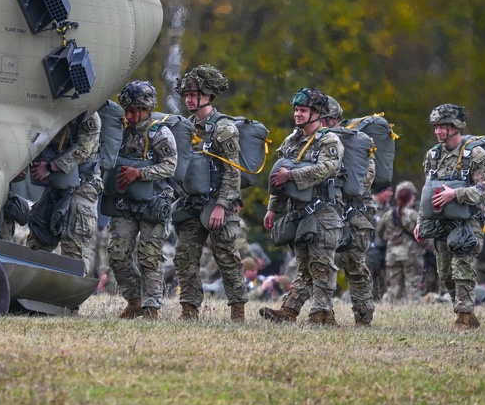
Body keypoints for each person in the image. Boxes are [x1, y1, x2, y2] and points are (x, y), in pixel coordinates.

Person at [260, 87, 344, 325]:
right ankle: (290, 311)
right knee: (304, 266)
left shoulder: (329, 140)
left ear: (316, 113)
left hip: (324, 213)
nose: (297, 114)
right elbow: (278, 175)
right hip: (298, 213)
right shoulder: (292, 140)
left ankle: (320, 314)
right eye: (296, 110)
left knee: (321, 266)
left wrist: (292, 176)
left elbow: (325, 169)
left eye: (303, 110)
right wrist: (272, 208)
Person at [172, 64, 248, 322]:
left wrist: (222, 206)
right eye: (187, 95)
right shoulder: (186, 127)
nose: (189, 99)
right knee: (184, 256)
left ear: (207, 95)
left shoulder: (223, 128)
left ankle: (238, 311)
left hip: (218, 203)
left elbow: (233, 171)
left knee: (226, 257)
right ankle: (189, 310)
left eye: (194, 94)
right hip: (192, 203)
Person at [415, 104, 485, 330]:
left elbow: (484, 189)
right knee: (446, 274)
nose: (438, 131)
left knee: (462, 268)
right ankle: (463, 310)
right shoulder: (432, 155)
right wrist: (421, 221)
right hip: (441, 222)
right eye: (436, 127)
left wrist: (455, 194)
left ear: (456, 126)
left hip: (468, 222)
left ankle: (464, 316)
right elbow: (427, 191)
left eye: (443, 127)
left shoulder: (476, 155)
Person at [107, 80, 178, 320]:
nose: (130, 115)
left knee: (149, 256)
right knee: (117, 254)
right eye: (127, 111)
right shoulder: (123, 131)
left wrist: (140, 173)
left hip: (154, 202)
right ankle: (135, 300)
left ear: (146, 109)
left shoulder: (159, 133)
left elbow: (170, 165)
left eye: (134, 111)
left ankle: (151, 308)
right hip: (125, 201)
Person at [317, 97, 377, 325]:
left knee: (354, 265)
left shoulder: (356, 145)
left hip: (356, 214)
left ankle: (363, 318)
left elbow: (364, 180)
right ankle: (322, 313)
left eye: (322, 120)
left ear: (332, 119)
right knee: (320, 263)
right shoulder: (319, 145)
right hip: (329, 212)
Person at [27, 111, 102, 275]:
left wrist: (49, 167)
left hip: (83, 187)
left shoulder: (89, 116)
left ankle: (71, 297)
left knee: (74, 247)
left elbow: (83, 149)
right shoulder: (51, 110)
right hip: (55, 185)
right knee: (37, 241)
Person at [376, 181, 423, 303]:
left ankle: (393, 309)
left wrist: (390, 239)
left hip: (392, 255)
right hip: (411, 255)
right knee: (413, 286)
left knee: (394, 288)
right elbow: (422, 234)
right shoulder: (414, 215)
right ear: (411, 197)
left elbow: (379, 231)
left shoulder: (388, 214)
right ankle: (414, 314)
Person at [367, 183, 394, 301]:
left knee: (385, 279)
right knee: (370, 278)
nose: (391, 194)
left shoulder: (388, 209)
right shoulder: (368, 205)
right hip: (369, 249)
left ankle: (384, 301)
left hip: (384, 249)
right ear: (380, 191)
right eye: (388, 191)